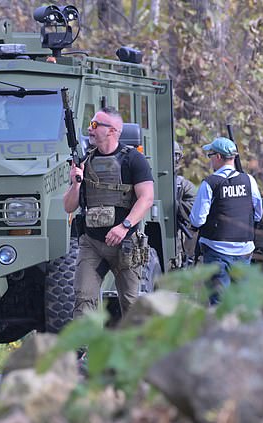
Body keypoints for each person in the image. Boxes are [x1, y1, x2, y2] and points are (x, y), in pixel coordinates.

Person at [63, 107, 154, 318]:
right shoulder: (85, 161)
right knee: (83, 298)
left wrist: (125, 227)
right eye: (90, 125)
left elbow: (146, 198)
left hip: (125, 245)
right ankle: (83, 350)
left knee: (131, 304)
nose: (89, 129)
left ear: (112, 130)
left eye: (95, 125)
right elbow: (68, 206)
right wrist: (76, 183)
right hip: (92, 244)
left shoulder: (133, 159)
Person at [189, 137, 263, 304]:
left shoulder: (210, 183)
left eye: (211, 155)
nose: (210, 159)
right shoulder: (249, 180)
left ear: (218, 157)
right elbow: (258, 213)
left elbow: (198, 220)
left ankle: (224, 330)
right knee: (241, 301)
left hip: (217, 251)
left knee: (219, 303)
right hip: (244, 250)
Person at [174, 141, 197, 267]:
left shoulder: (183, 185)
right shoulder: (144, 180)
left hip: (178, 242)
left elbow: (193, 210)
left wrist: (176, 205)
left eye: (175, 156)